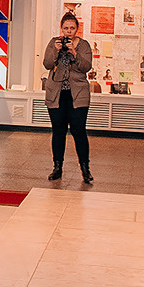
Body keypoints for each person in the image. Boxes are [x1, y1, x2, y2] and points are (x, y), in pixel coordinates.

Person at [41, 12, 93, 185]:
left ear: (77, 29)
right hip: (56, 94)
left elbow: (86, 67)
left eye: (72, 28)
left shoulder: (84, 45)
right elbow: (47, 64)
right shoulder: (53, 42)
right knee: (58, 131)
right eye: (66, 28)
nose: (69, 31)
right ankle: (57, 167)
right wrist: (56, 51)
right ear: (61, 29)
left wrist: (74, 52)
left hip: (77, 94)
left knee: (79, 131)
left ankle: (85, 169)